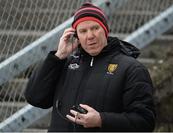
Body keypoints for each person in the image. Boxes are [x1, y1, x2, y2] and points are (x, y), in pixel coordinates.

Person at [24, 2, 156, 132]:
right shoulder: (64, 64)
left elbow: (145, 121)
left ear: (105, 30)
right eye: (83, 31)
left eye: (95, 28)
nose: (90, 36)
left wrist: (101, 120)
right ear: (76, 36)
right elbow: (35, 98)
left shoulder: (131, 68)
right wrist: (58, 56)